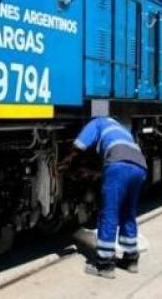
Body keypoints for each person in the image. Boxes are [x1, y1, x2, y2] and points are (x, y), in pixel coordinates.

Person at [66, 117, 148, 279]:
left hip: (117, 164)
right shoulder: (121, 129)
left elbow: (79, 145)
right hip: (140, 166)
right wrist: (93, 172)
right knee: (128, 212)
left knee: (109, 213)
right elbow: (118, 161)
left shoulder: (97, 123)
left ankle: (104, 264)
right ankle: (131, 259)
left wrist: (67, 161)